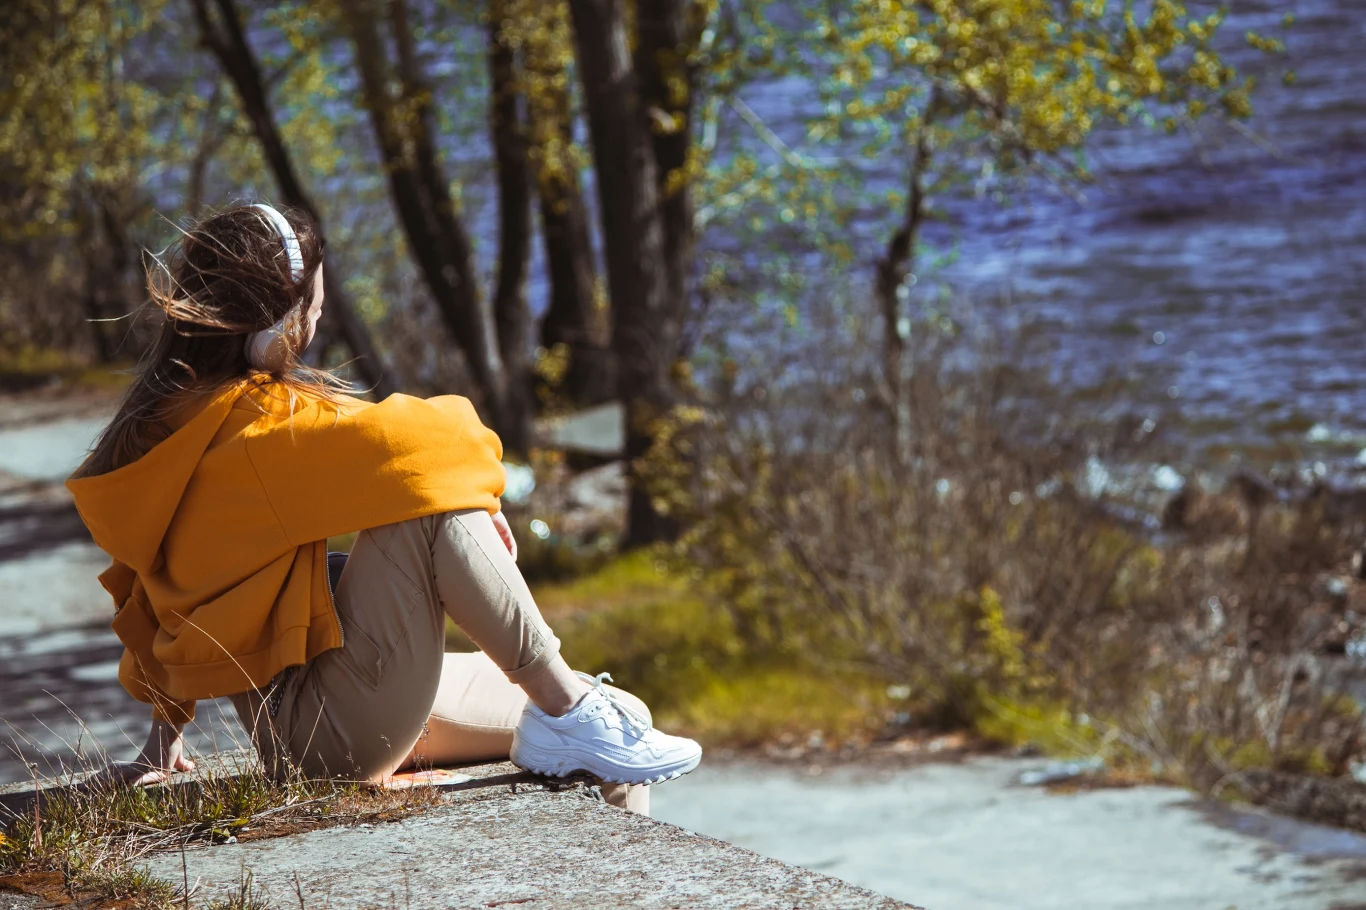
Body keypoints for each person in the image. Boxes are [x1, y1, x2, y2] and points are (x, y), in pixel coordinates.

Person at [66, 203, 701, 815]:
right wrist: (477, 492)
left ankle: (571, 714)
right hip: (333, 730)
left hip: (323, 713)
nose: (315, 325)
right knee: (426, 507)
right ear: (276, 326)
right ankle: (563, 707)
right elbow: (438, 439)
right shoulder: (260, 431)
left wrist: (165, 735)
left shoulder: (170, 425)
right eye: (312, 307)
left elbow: (150, 585)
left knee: (621, 717)